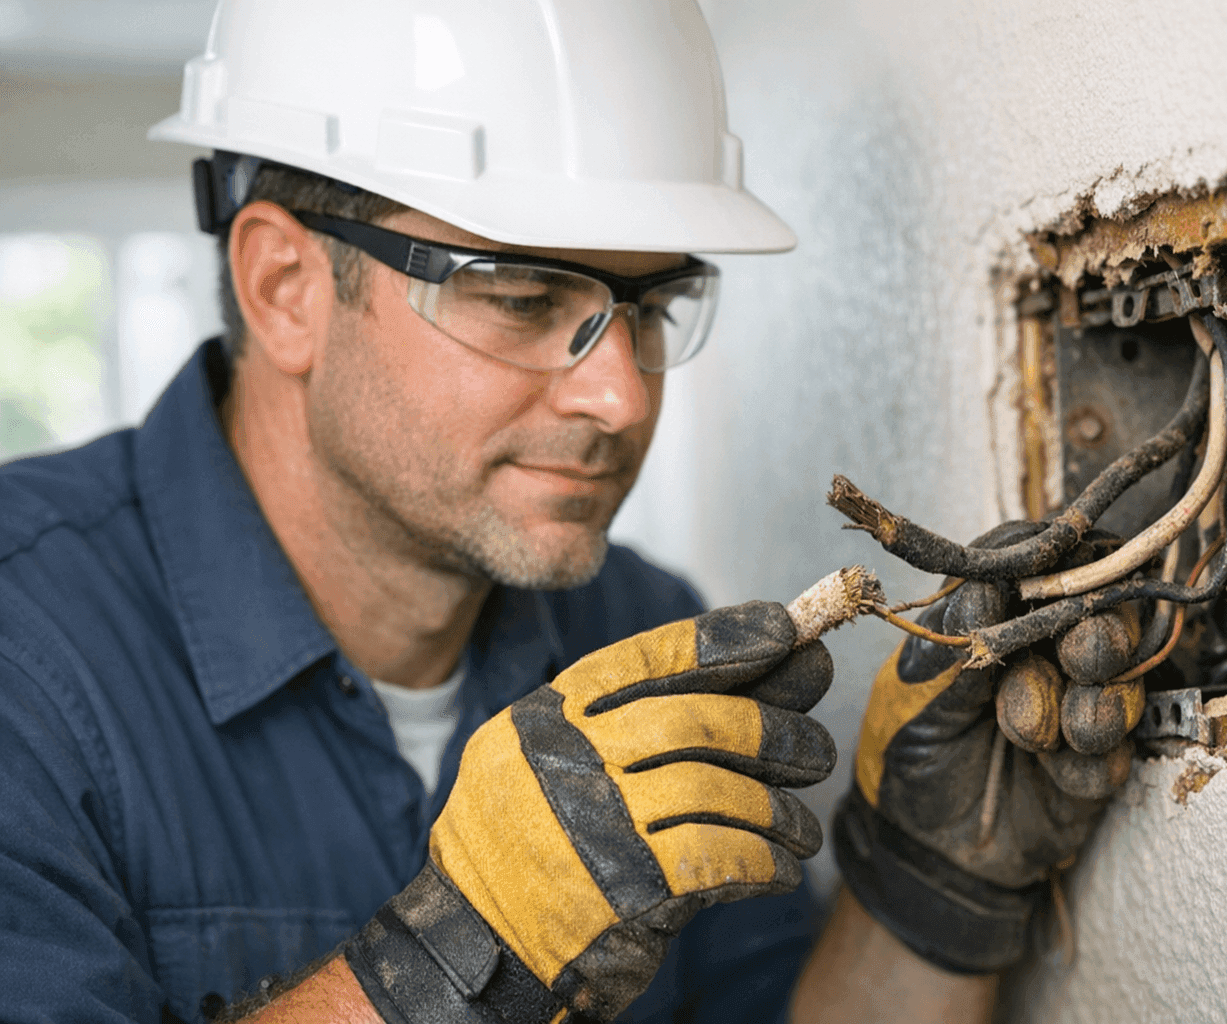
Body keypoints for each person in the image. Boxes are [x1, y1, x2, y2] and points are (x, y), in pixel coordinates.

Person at [0, 2, 1129, 1022]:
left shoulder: (636, 630)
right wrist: (446, 963)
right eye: (524, 297)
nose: (622, 394)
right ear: (286, 288)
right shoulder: (25, 659)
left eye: (652, 305)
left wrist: (923, 896)